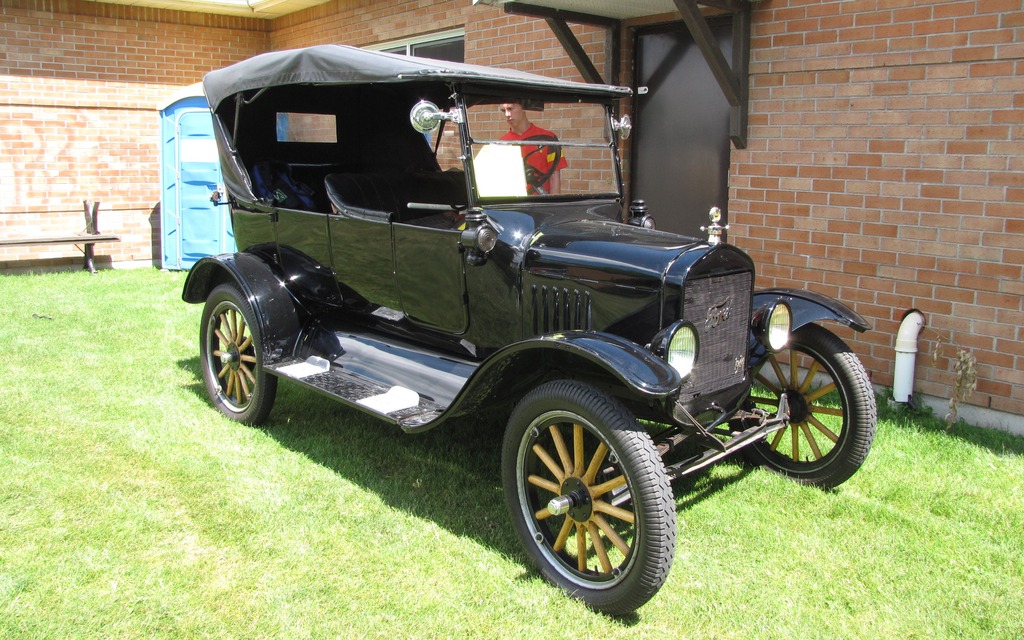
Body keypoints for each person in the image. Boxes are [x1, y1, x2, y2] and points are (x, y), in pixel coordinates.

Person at [499, 101, 567, 195]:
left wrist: (553, 206)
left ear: (523, 108)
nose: (507, 114)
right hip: (513, 205)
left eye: (510, 109)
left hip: (541, 205)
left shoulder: (548, 138)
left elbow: (554, 176)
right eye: (503, 111)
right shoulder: (501, 144)